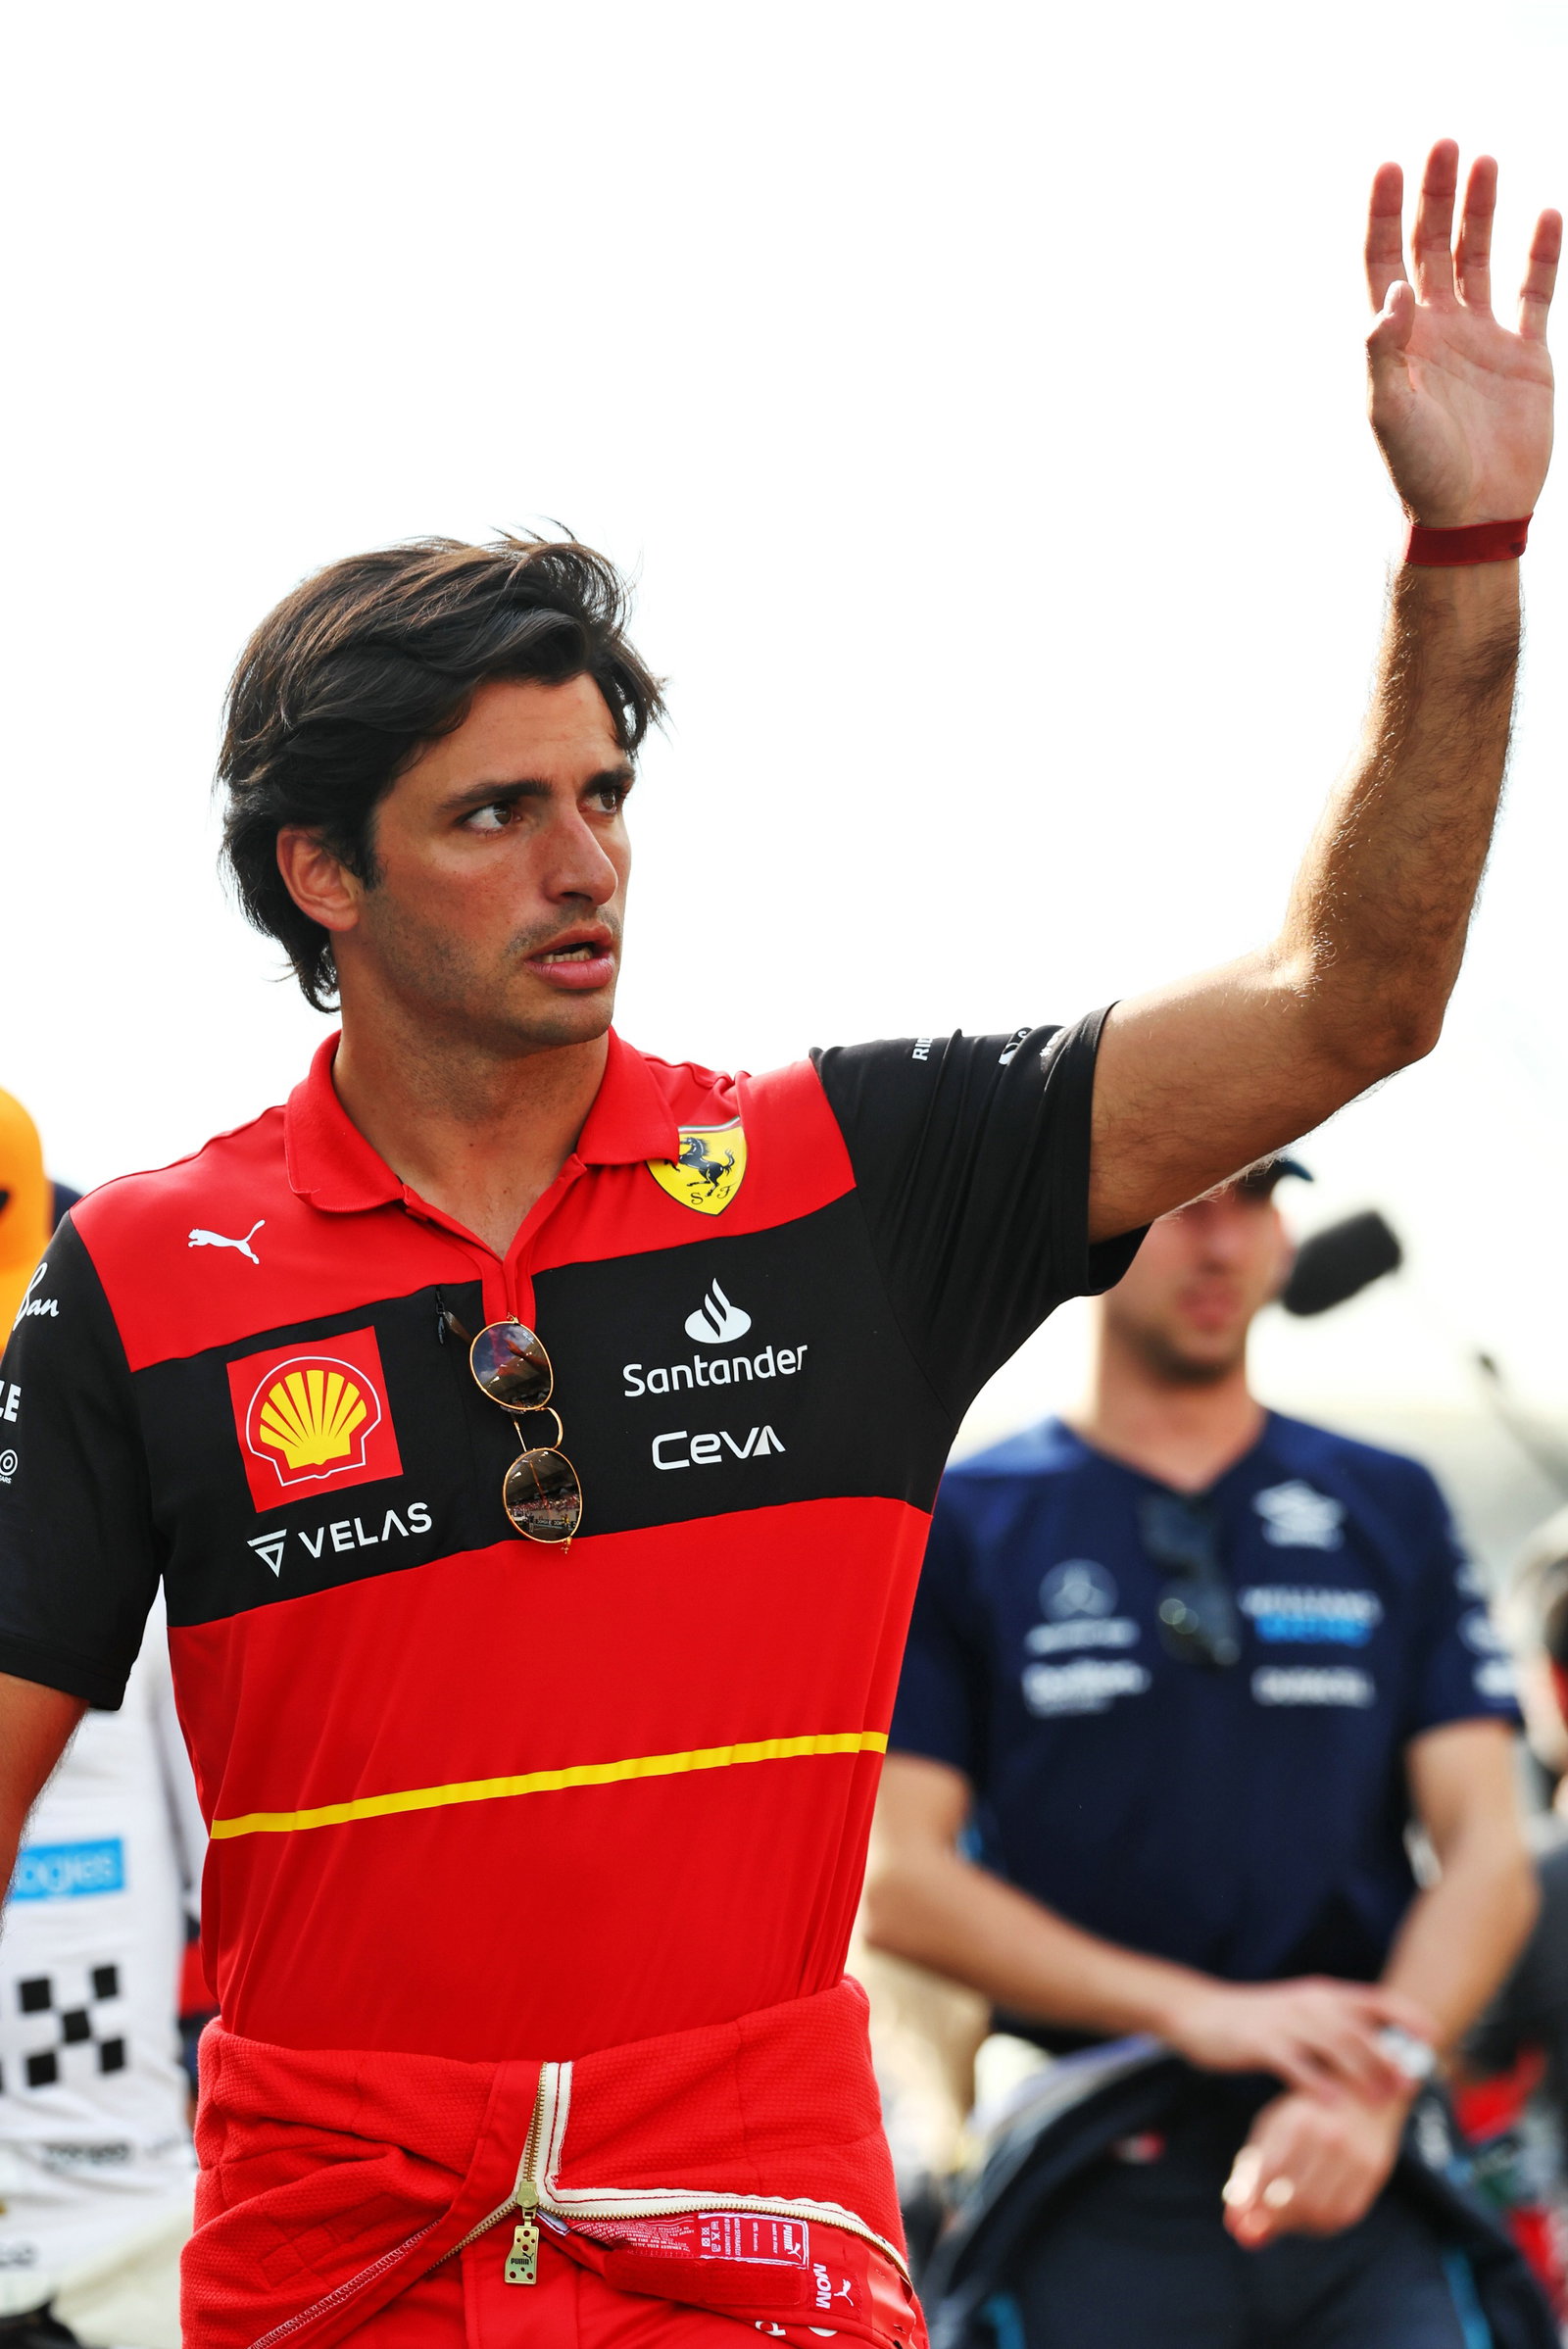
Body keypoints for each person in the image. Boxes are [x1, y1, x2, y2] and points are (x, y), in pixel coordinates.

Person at [0, 145, 1556, 2349]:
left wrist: (1462, 551)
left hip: (755, 2267)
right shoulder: (145, 1272)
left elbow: (1348, 999)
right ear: (317, 876)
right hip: (336, 2275)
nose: (583, 864)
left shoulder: (850, 1172)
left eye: (604, 792)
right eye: (494, 813)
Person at [862, 1163, 1543, 2345]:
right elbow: (899, 1884)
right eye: (1186, 1203)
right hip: (1085, 2151)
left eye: (1255, 1201)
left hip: (1349, 2137)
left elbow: (1489, 1849)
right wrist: (1198, 2013)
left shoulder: (1388, 1502)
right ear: (1091, 1234)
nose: (1221, 1243)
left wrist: (1378, 2077)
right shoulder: (962, 1520)